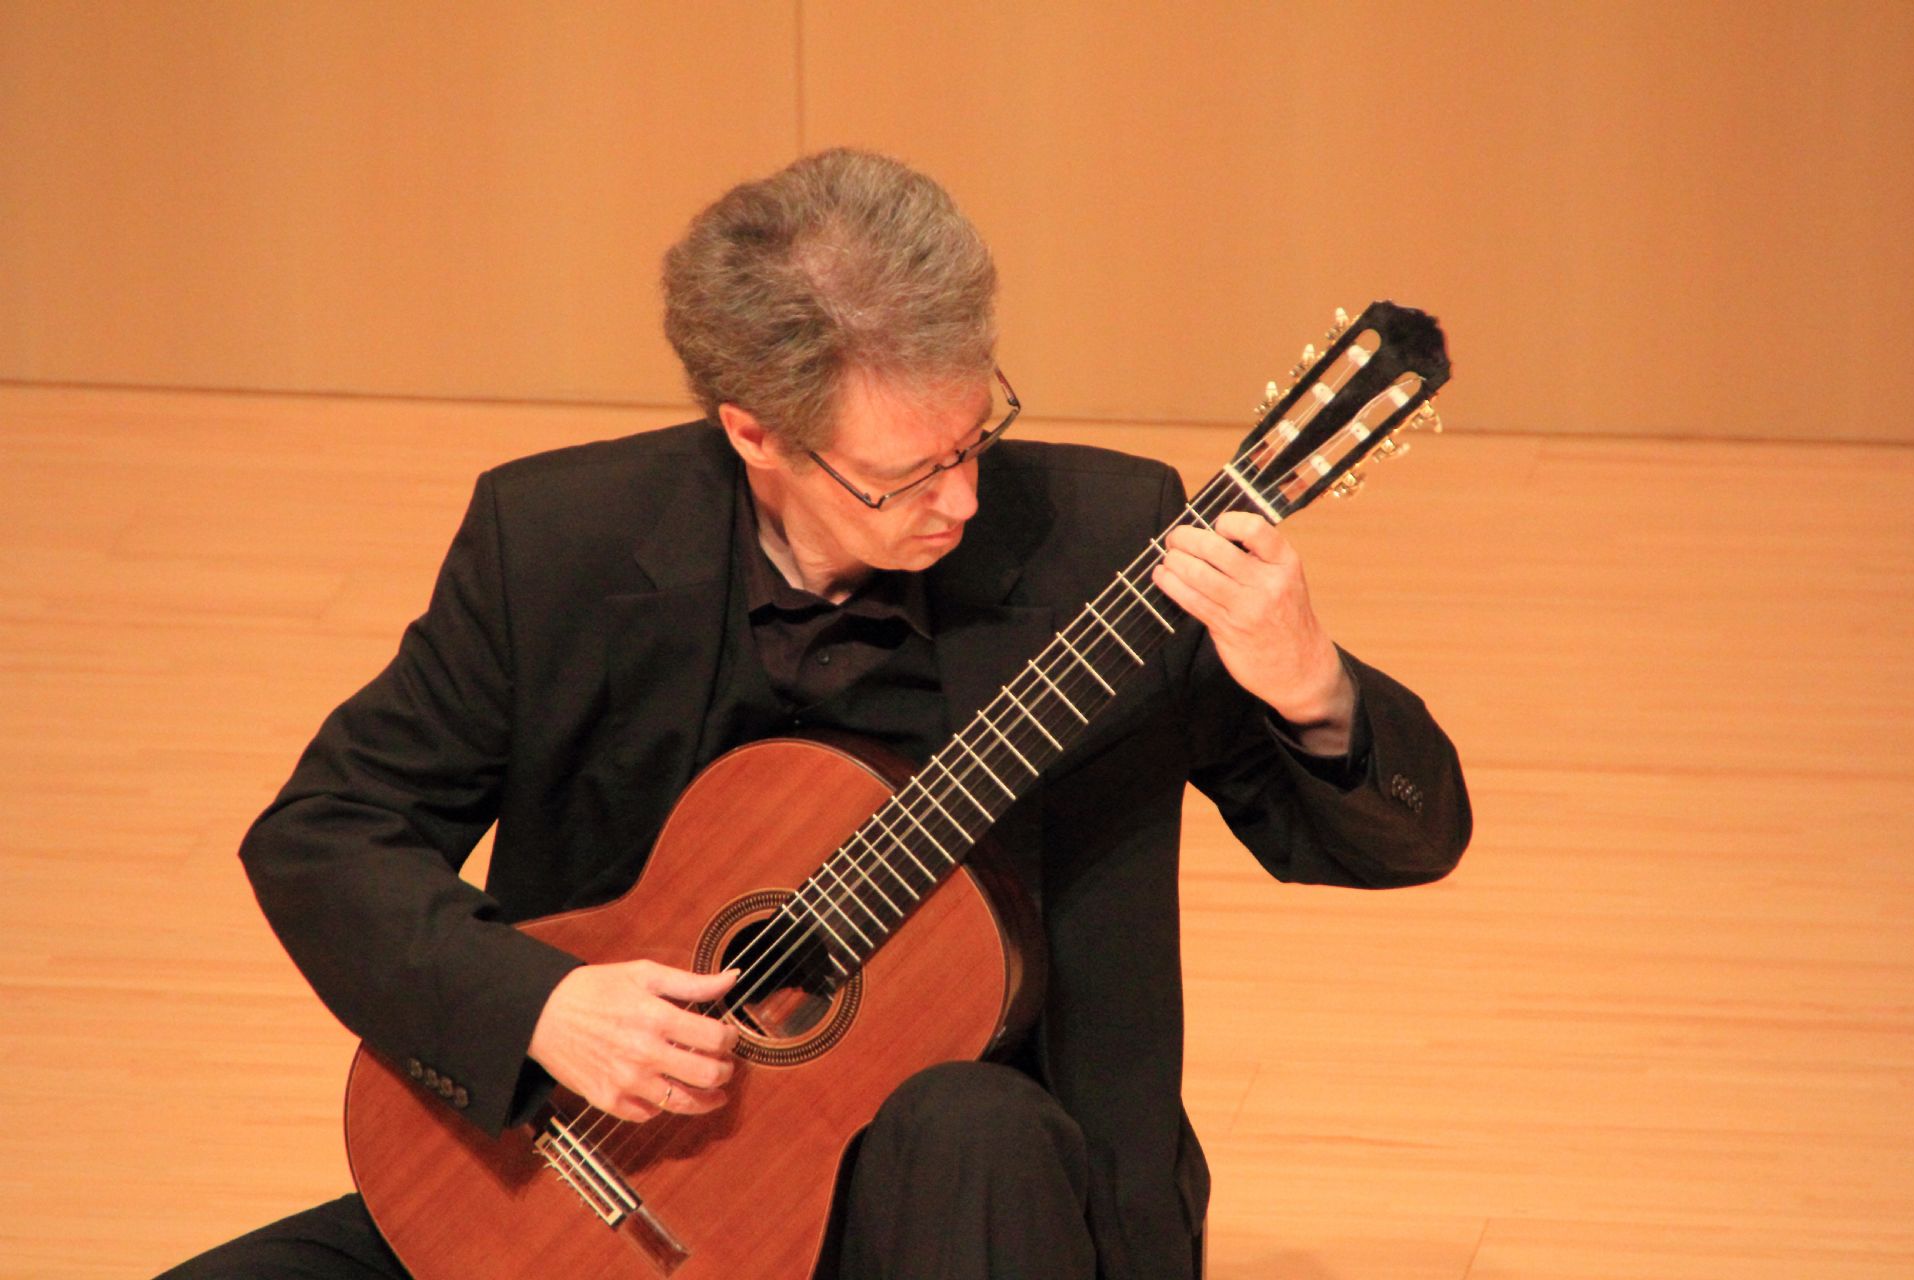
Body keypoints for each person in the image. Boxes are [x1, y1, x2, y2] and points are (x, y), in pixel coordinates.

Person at [161, 148, 1470, 1280]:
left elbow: (1407, 842)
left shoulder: (1104, 547)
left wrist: (1313, 687)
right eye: (903, 477)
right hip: (612, 1181)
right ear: (754, 434)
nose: (960, 501)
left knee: (972, 1129)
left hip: (963, 1215)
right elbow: (325, 835)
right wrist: (545, 1008)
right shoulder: (555, 543)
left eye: (975, 438)